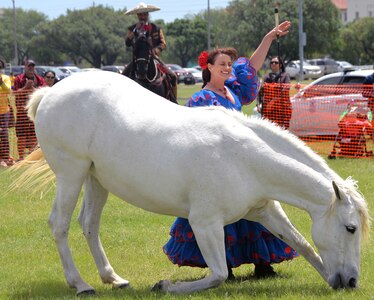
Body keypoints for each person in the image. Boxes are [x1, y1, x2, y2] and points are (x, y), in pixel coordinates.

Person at [163, 21, 298, 279]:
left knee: (257, 212)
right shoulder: (200, 99)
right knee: (222, 222)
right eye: (222, 64)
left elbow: (252, 66)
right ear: (209, 67)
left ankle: (262, 265)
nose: (227, 67)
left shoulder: (233, 91)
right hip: (215, 172)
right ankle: (224, 269)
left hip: (241, 167)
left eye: (229, 64)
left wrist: (268, 37)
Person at [123, 2, 177, 98]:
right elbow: (127, 43)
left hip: (154, 58)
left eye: (144, 14)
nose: (142, 17)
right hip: (137, 59)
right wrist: (136, 30)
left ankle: (174, 100)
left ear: (147, 15)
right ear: (137, 16)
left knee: (172, 76)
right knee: (122, 77)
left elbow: (163, 44)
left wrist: (156, 50)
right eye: (140, 14)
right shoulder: (132, 29)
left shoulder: (156, 28)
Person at [14, 59, 46, 160]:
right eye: (29, 66)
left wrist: (32, 89)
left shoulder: (40, 79)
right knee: (21, 135)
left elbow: (43, 93)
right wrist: (25, 88)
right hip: (22, 112)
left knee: (33, 134)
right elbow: (14, 93)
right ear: (25, 67)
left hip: (35, 111)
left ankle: (31, 158)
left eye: (32, 66)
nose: (31, 68)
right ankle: (20, 158)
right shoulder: (19, 79)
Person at [260, 56, 291, 129]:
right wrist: (258, 104)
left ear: (280, 65)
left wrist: (273, 101)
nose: (273, 64)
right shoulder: (266, 77)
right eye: (272, 62)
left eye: (276, 62)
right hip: (268, 110)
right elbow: (261, 91)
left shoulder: (285, 76)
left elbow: (286, 90)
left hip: (282, 110)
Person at [0, 59, 13, 167]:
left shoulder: (5, 78)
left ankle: (5, 157)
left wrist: (1, 82)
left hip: (4, 111)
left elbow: (8, 90)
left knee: (4, 134)